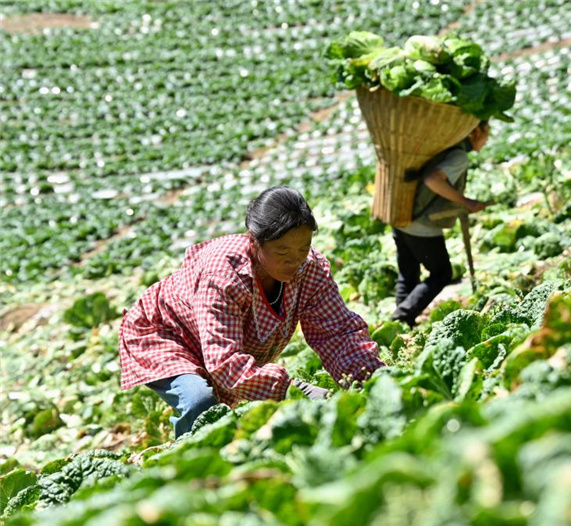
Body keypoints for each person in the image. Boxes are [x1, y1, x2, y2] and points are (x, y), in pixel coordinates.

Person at [118, 186, 385, 438]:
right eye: (282, 251)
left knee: (221, 412)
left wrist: (370, 381)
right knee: (200, 401)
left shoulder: (310, 269)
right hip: (166, 331)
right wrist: (293, 389)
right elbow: (225, 363)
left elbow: (337, 333)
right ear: (253, 241)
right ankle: (186, 468)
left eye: (303, 248)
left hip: (216, 340)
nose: (295, 260)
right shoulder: (223, 273)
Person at [391, 121, 491, 327]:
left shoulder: (440, 148)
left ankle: (399, 325)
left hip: (401, 216)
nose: (487, 139)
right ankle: (402, 315)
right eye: (487, 133)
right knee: (441, 273)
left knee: (408, 273)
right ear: (476, 131)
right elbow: (432, 179)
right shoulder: (458, 155)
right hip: (421, 225)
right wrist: (466, 202)